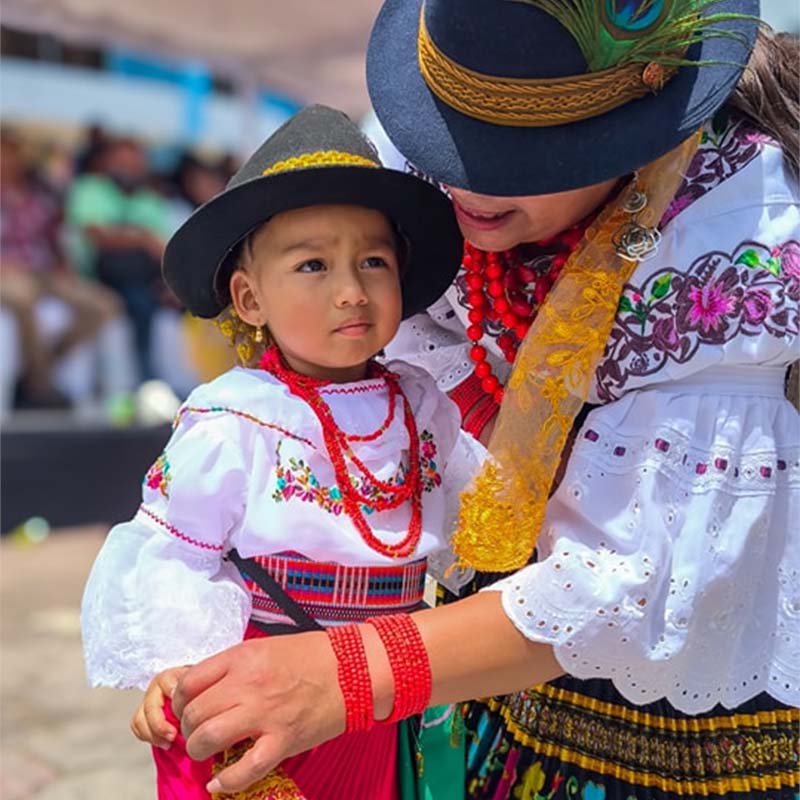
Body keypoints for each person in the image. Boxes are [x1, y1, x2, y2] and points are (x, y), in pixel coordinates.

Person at [163, 2, 799, 798]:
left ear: (635, 127)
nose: (466, 180)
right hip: (487, 686)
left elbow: (628, 584)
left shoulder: (735, 238)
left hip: (671, 728)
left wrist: (346, 676)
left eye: (523, 157)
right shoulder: (416, 163)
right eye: (456, 136)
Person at [80, 105, 484, 798]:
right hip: (263, 692)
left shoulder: (420, 405)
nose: (351, 291)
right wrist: (176, 667)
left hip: (378, 693)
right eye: (312, 265)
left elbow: (480, 502)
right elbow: (174, 552)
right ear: (249, 297)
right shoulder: (236, 417)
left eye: (373, 262)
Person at [0, 129, 129, 407]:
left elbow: (55, 236)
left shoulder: (39, 193)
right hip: (7, 272)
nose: (9, 159)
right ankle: (37, 385)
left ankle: (43, 364)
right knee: (22, 301)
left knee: (104, 306)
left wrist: (63, 265)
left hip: (45, 271)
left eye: (13, 152)